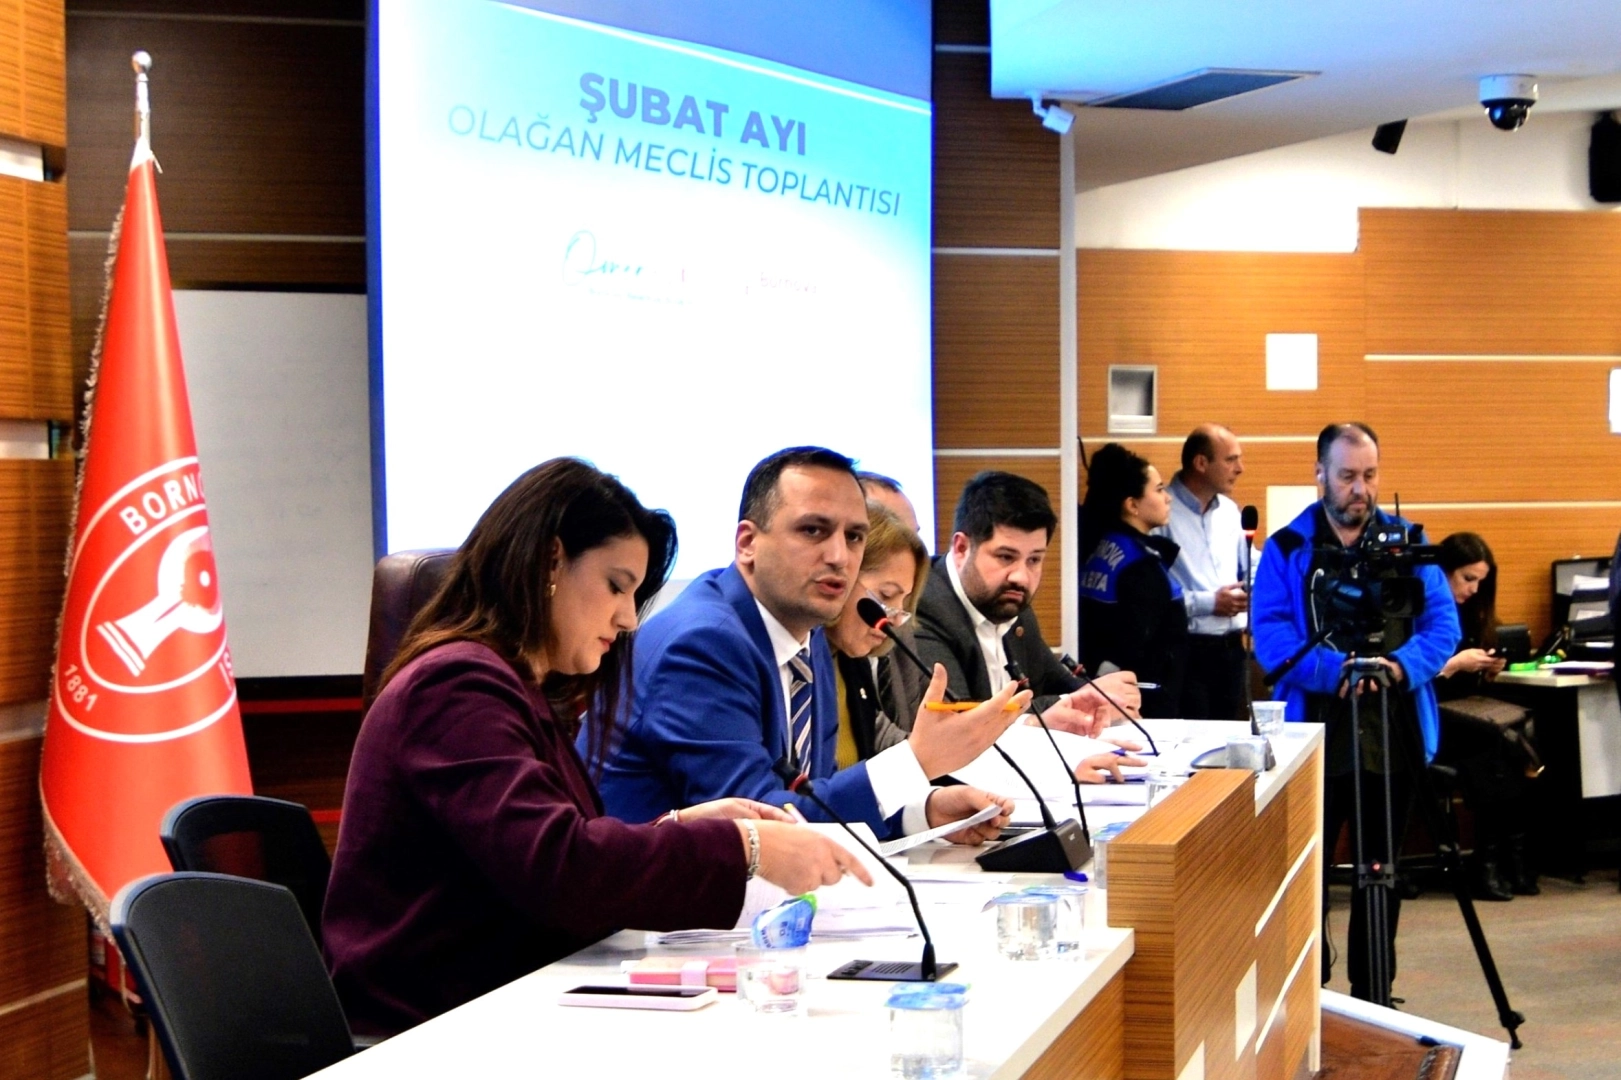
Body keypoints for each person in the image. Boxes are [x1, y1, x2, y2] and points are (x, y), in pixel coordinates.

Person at [323, 459, 872, 1035]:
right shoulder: (456, 687)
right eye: (616, 586)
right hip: (430, 1031)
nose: (629, 618)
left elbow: (541, 851)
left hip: (504, 1004)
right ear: (549, 562)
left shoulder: (515, 688)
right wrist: (744, 846)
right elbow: (559, 871)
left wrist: (675, 826)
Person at [596, 447, 1021, 842]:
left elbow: (810, 798)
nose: (839, 556)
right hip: (638, 895)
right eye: (813, 530)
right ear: (747, 544)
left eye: (854, 537)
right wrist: (915, 760)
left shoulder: (808, 633)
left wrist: (920, 813)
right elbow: (762, 825)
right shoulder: (703, 644)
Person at [1251, 423, 1459, 1003]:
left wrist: (1399, 666)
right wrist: (1334, 670)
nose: (1360, 489)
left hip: (1393, 732)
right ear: (1319, 474)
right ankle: (1307, 995)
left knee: (1381, 873)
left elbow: (1443, 627)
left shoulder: (1409, 542)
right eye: (1347, 476)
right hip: (1314, 733)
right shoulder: (1287, 548)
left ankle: (1374, 994)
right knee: (1308, 873)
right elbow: (1270, 637)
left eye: (1369, 475)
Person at [914, 469, 1144, 744]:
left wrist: (1103, 698)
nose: (1021, 577)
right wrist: (1065, 705)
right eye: (1005, 557)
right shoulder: (924, 608)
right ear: (962, 548)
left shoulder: (1010, 601)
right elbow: (958, 721)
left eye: (1034, 560)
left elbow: (1057, 681)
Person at [1434, 532, 1539, 899]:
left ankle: (1508, 856)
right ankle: (1492, 861)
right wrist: (1454, 665)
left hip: (1465, 711)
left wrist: (1488, 668)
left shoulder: (1472, 613)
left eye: (1480, 581)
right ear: (1444, 572)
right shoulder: (1421, 612)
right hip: (1429, 717)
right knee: (1496, 743)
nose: (1474, 589)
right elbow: (1411, 677)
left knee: (1519, 730)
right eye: (1467, 579)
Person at [1079, 443, 1189, 719]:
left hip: (1114, 691)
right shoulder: (1139, 564)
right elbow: (1136, 646)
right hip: (1142, 702)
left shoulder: (1099, 546)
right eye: (1159, 489)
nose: (1168, 498)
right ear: (1132, 505)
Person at [1158, 424, 1252, 720]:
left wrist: (1255, 585)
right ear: (1201, 463)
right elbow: (1156, 597)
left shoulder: (1229, 510)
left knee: (1230, 739)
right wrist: (1210, 602)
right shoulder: (1163, 511)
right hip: (1188, 651)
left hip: (1233, 649)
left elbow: (1248, 562)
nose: (1240, 468)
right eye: (1231, 459)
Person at [825, 502, 930, 766]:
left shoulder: (849, 659)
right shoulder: (799, 662)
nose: (896, 619)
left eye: (903, 602)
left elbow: (879, 738)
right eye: (886, 595)